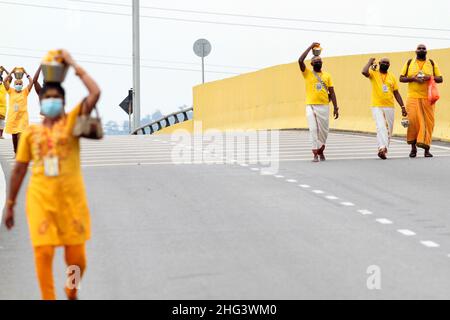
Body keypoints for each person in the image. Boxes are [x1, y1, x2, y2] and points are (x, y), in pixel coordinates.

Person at [3, 50, 101, 300]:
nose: (52, 101)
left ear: (63, 103)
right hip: (41, 203)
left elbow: (95, 93)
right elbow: (19, 170)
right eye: (48, 98)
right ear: (42, 102)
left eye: (57, 98)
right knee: (43, 253)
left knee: (77, 258)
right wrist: (11, 204)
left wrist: (74, 65)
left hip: (72, 204)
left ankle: (72, 289)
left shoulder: (70, 123)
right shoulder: (32, 134)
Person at [399, 44, 443, 158]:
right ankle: (413, 149)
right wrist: (413, 78)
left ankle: (426, 150)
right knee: (412, 124)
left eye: (423, 48)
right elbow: (401, 78)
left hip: (428, 99)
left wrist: (429, 78)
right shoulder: (409, 62)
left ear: (426, 51)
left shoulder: (431, 63)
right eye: (419, 48)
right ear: (415, 51)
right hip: (412, 98)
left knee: (428, 124)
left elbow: (440, 79)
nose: (421, 50)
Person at [298, 42, 339, 162]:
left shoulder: (327, 76)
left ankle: (321, 150)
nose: (318, 62)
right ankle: (315, 153)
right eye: (316, 61)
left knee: (324, 131)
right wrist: (310, 47)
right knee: (313, 128)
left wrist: (336, 107)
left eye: (320, 61)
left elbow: (332, 92)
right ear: (311, 64)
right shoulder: (307, 74)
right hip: (311, 106)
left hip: (324, 106)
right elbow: (300, 61)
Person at [362, 57, 407, 159]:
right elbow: (364, 72)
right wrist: (369, 61)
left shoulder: (392, 77)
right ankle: (382, 148)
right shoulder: (374, 73)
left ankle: (384, 149)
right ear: (379, 63)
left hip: (390, 106)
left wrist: (403, 107)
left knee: (389, 130)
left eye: (387, 63)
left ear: (389, 65)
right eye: (383, 63)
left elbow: (396, 93)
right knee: (381, 127)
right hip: (377, 106)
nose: (385, 64)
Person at [2, 67, 35, 153]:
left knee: (20, 136)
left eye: (20, 84)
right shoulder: (11, 91)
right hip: (13, 118)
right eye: (17, 83)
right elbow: (5, 82)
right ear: (14, 85)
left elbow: (31, 82)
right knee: (14, 136)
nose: (18, 85)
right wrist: (11, 73)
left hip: (22, 118)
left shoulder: (25, 92)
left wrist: (26, 72)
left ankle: (20, 153)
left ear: (22, 85)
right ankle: (16, 152)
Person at [0, 66, 9, 138]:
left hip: (3, 106)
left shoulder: (4, 86)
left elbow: (10, 77)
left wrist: (4, 69)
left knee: (2, 121)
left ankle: (0, 135)